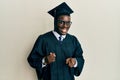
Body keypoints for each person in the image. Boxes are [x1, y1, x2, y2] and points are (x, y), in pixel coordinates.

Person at [27, 2, 84, 80]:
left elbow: (80, 58)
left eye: (68, 23)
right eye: (61, 22)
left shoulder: (73, 40)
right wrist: (45, 60)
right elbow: (32, 59)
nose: (65, 26)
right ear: (55, 22)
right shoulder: (43, 39)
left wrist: (75, 62)